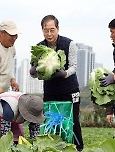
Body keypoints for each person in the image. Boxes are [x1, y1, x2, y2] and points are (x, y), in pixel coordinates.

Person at [30, 15, 83, 151]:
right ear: (42, 30)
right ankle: (54, 148)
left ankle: (78, 148)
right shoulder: (39, 47)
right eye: (46, 30)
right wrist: (33, 71)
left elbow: (73, 67)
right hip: (51, 91)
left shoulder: (69, 44)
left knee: (72, 121)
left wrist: (64, 73)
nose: (49, 34)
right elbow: (34, 71)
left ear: (58, 29)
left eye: (52, 30)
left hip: (70, 89)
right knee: (51, 122)